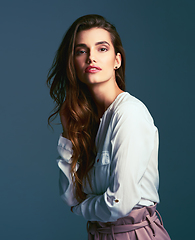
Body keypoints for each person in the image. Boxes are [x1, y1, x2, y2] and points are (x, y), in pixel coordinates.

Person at [47, 14, 171, 240]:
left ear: (117, 60)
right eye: (81, 51)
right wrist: (68, 135)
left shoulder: (129, 113)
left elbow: (119, 203)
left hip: (134, 234)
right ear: (73, 62)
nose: (91, 57)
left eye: (102, 49)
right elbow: (68, 195)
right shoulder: (88, 121)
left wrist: (81, 207)